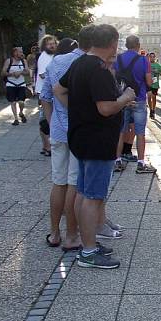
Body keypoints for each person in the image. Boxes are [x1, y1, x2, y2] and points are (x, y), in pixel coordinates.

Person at [55, 24, 136, 269]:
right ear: (112, 43)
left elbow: (58, 89)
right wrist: (125, 98)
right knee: (93, 196)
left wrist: (80, 110)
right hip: (97, 140)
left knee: (82, 192)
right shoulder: (99, 69)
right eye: (117, 43)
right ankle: (89, 253)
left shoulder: (79, 62)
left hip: (80, 137)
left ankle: (86, 242)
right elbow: (105, 108)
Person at [42, 27, 94, 251]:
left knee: (58, 182)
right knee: (74, 184)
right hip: (78, 132)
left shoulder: (56, 61)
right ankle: (72, 236)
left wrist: (54, 122)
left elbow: (45, 96)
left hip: (57, 131)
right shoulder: (88, 63)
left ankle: (55, 233)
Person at [113, 35, 155, 174]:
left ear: (126, 45)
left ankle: (117, 161)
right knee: (140, 133)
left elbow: (113, 78)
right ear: (138, 45)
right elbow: (149, 82)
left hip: (122, 99)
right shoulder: (144, 60)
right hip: (139, 98)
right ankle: (141, 163)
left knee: (120, 132)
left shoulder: (118, 59)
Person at [36, 35, 58, 156]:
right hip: (45, 92)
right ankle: (47, 146)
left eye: (53, 43)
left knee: (45, 119)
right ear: (44, 46)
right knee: (45, 119)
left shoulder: (52, 56)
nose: (52, 45)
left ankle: (45, 146)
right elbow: (43, 75)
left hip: (49, 91)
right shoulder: (44, 57)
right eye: (49, 44)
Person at [2, 46, 29, 126]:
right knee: (13, 102)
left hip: (21, 84)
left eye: (22, 51)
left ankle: (21, 112)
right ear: (15, 53)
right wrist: (12, 74)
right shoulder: (8, 61)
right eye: (20, 51)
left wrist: (20, 72)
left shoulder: (24, 61)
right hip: (11, 84)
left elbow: (27, 72)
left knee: (21, 101)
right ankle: (16, 119)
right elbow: (3, 73)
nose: (22, 53)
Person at [147, 52, 161, 119]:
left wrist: (158, 72)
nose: (152, 58)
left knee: (153, 97)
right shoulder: (147, 64)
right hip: (148, 83)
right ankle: (151, 110)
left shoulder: (158, 65)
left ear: (155, 57)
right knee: (149, 96)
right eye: (151, 57)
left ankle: (153, 110)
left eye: (153, 57)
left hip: (155, 84)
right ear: (149, 57)